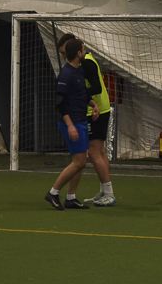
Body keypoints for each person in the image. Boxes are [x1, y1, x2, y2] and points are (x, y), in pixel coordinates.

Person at [57, 33, 116, 207]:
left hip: (95, 110)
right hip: (98, 108)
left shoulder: (86, 63)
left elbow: (96, 87)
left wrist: (78, 94)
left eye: (65, 52)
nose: (64, 56)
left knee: (93, 153)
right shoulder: (81, 63)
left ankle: (109, 193)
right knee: (100, 152)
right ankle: (105, 191)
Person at [45, 38, 100, 210]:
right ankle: (53, 192)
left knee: (80, 161)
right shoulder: (66, 74)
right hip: (72, 123)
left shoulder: (79, 70)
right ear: (78, 53)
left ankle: (71, 198)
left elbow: (81, 92)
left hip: (81, 120)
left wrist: (93, 104)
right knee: (79, 162)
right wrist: (70, 125)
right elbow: (60, 103)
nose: (85, 52)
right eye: (83, 50)